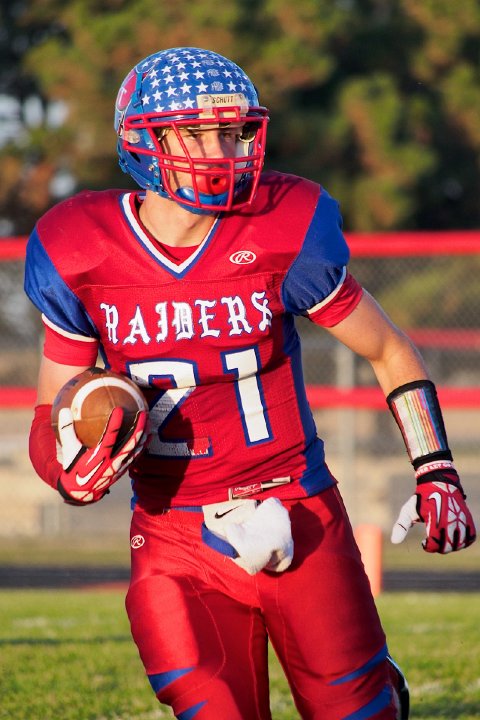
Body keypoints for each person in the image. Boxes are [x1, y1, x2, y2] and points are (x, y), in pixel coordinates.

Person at [24, 47, 476, 720]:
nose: (222, 150)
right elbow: (50, 409)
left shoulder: (281, 227)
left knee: (354, 710)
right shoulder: (79, 247)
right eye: (197, 132)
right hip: (174, 536)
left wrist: (436, 469)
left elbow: (388, 350)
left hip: (299, 505)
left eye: (233, 131)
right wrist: (64, 473)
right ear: (146, 140)